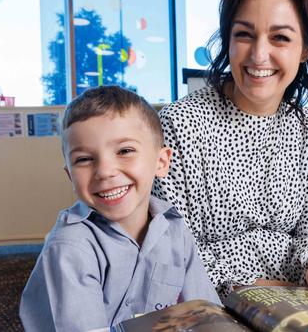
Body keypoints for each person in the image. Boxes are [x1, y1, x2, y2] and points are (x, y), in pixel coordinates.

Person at [152, 0, 308, 309]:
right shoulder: (179, 124)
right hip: (208, 309)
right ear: (228, 39)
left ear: (305, 49)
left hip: (304, 306)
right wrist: (264, 287)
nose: (259, 55)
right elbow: (169, 254)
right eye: (244, 35)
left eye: (280, 38)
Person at [20, 86, 219, 331]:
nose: (105, 171)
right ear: (70, 175)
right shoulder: (70, 248)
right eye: (84, 159)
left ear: (161, 162)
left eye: (125, 151)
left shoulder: (174, 227)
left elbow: (206, 313)